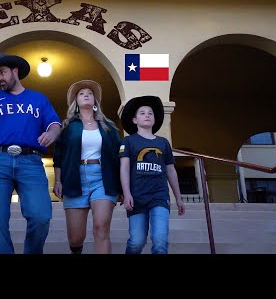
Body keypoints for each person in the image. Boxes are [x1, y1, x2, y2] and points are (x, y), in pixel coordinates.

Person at [0, 53, 62, 254]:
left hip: (31, 161)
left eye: (3, 73)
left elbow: (54, 124)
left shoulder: (38, 98)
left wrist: (51, 133)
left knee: (41, 215)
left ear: (15, 71)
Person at [53, 80, 122, 254]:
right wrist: (58, 181)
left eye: (90, 93)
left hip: (103, 179)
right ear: (76, 101)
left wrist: (122, 186)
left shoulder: (108, 127)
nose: (86, 95)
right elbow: (58, 157)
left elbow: (120, 155)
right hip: (75, 179)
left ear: (95, 102)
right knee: (76, 238)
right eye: (82, 93)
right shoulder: (68, 127)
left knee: (101, 228)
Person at [119, 95, 185, 254]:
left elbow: (170, 170)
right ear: (134, 120)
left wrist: (179, 197)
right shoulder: (128, 141)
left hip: (159, 196)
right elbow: (124, 168)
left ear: (155, 119)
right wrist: (126, 194)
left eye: (150, 113)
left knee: (160, 240)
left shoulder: (163, 142)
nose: (147, 115)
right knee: (136, 242)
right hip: (137, 197)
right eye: (142, 113)